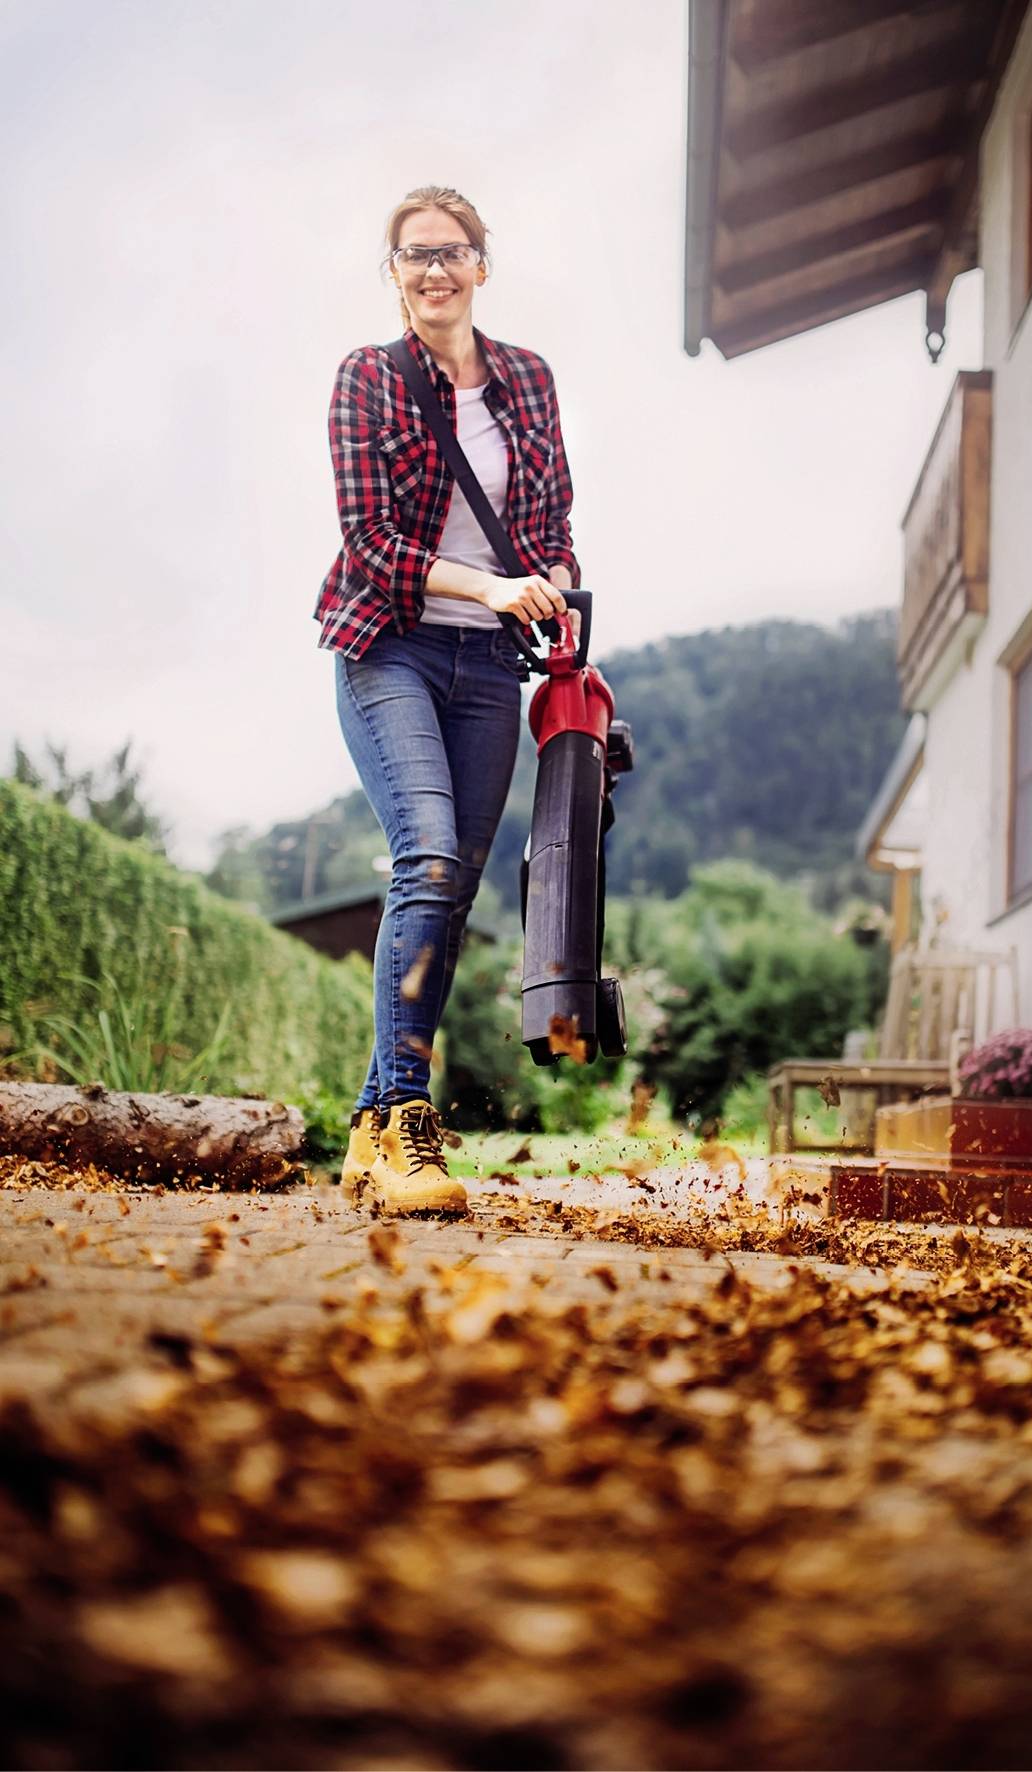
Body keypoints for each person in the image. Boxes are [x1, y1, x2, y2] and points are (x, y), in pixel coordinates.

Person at [314, 184, 579, 1216]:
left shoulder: (527, 378)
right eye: (414, 254)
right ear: (394, 274)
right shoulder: (368, 379)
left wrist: (553, 589)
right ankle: (408, 1120)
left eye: (451, 251)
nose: (434, 269)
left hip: (488, 669)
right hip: (390, 648)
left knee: (451, 888)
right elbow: (371, 543)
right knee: (424, 858)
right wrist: (490, 587)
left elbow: (550, 524)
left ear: (481, 264)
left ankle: (369, 1129)